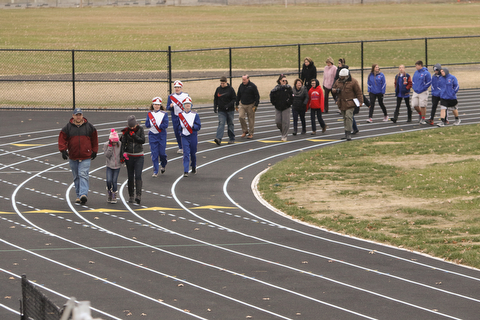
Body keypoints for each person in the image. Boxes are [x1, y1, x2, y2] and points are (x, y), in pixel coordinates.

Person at [58, 108, 98, 205]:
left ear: (82, 116)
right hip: (73, 156)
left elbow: (94, 139)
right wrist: (63, 150)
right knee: (76, 176)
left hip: (85, 156)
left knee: (83, 174)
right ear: (73, 116)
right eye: (77, 115)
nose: (78, 117)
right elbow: (62, 138)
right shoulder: (68, 127)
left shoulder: (89, 127)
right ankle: (78, 195)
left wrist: (94, 150)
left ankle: (83, 194)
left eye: (80, 115)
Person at [332, 68, 363, 141]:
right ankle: (346, 133)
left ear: (346, 76)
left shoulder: (354, 82)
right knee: (345, 118)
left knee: (348, 117)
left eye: (342, 76)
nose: (340, 78)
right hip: (341, 103)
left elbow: (358, 92)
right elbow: (333, 88)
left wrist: (361, 101)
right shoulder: (338, 81)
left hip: (350, 103)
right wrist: (335, 90)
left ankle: (348, 133)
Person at [121, 115, 145, 204]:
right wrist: (122, 155)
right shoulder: (126, 131)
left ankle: (138, 195)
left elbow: (142, 140)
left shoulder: (140, 129)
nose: (131, 128)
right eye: (130, 127)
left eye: (133, 126)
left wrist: (134, 135)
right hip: (130, 156)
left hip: (139, 156)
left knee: (138, 176)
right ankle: (131, 195)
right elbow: (123, 144)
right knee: (130, 176)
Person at [145, 97, 168, 177]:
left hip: (161, 135)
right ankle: (155, 171)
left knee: (162, 153)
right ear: (153, 105)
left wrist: (158, 125)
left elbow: (166, 125)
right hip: (152, 135)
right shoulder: (149, 113)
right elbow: (147, 124)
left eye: (158, 105)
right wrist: (150, 124)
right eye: (155, 104)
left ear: (160, 105)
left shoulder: (164, 114)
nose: (157, 106)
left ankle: (163, 164)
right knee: (154, 154)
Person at [179, 97, 201, 177]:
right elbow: (178, 127)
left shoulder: (195, 115)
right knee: (186, 153)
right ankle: (185, 170)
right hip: (184, 136)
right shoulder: (180, 115)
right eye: (186, 104)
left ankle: (194, 166)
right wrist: (180, 131)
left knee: (193, 153)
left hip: (193, 136)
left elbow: (198, 126)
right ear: (183, 105)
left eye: (189, 104)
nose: (187, 105)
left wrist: (192, 126)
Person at [167, 80, 189, 154]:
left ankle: (186, 146)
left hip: (184, 116)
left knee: (185, 131)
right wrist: (170, 106)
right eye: (176, 87)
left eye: (178, 87)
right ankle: (180, 147)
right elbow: (167, 107)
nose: (177, 89)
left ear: (181, 88)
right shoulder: (171, 97)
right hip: (175, 117)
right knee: (177, 132)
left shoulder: (186, 95)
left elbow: (189, 105)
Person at [213, 76, 236, 145]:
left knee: (230, 124)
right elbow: (215, 98)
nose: (222, 84)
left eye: (223, 83)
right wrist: (215, 107)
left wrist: (228, 105)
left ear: (226, 82)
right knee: (221, 123)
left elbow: (234, 99)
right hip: (221, 110)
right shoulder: (218, 89)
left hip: (230, 110)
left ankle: (231, 138)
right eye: (221, 83)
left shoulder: (231, 89)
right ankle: (218, 138)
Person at [270, 74, 293, 141]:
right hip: (278, 107)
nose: (284, 82)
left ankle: (284, 136)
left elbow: (292, 97)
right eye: (283, 80)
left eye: (285, 80)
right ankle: (283, 132)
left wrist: (288, 103)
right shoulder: (275, 89)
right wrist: (275, 103)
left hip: (286, 107)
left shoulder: (289, 88)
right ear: (280, 81)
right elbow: (272, 96)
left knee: (285, 122)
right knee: (278, 122)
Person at [236, 74, 260, 139]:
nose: (243, 81)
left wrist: (256, 105)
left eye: (244, 79)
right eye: (242, 79)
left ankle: (251, 133)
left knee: (251, 119)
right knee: (241, 117)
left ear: (248, 79)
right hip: (242, 104)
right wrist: (236, 104)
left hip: (251, 104)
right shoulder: (241, 86)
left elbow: (257, 96)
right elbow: (238, 95)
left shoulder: (253, 86)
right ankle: (245, 130)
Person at [103, 129, 123, 204]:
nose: (115, 143)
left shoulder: (120, 144)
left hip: (117, 166)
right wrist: (110, 147)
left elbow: (122, 152)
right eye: (113, 142)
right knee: (108, 180)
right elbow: (107, 155)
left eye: (116, 142)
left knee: (114, 180)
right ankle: (109, 192)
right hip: (109, 165)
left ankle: (114, 195)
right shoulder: (106, 145)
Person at [411, 60, 432, 124]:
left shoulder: (426, 73)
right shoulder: (416, 72)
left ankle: (423, 118)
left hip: (423, 92)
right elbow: (413, 80)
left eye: (416, 66)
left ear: (420, 65)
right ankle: (420, 114)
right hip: (416, 91)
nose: (416, 67)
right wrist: (414, 87)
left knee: (423, 105)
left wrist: (423, 88)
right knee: (414, 105)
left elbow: (429, 82)